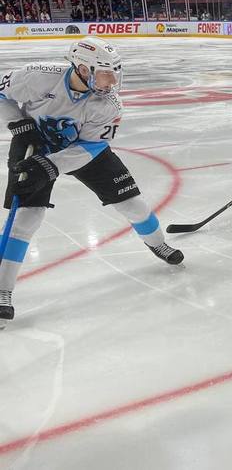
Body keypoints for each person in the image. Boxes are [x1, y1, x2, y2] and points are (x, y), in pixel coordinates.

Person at [0, 37, 184, 328]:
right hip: (33, 144)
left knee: (133, 205)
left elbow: (92, 146)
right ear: (83, 69)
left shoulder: (109, 105)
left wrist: (52, 166)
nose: (112, 82)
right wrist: (17, 123)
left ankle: (158, 244)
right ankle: (2, 290)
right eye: (105, 74)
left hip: (84, 149)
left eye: (115, 73)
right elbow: (1, 93)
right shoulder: (38, 76)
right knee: (26, 217)